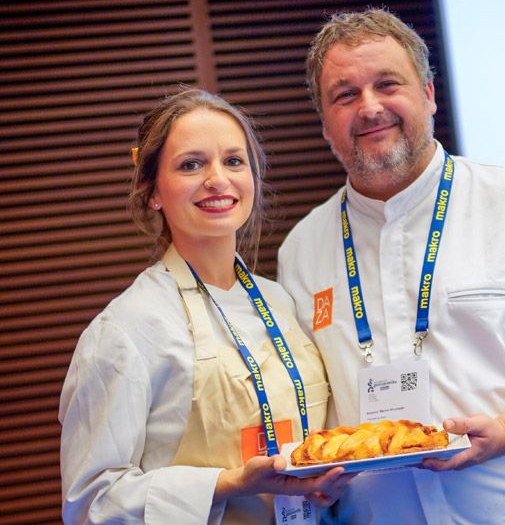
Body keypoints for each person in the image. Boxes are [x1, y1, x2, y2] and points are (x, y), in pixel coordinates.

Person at [276, 8, 505, 524]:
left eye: (388, 84)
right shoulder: (300, 249)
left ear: (429, 94)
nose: (369, 107)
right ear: (324, 121)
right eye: (345, 95)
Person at [59, 87, 352, 524]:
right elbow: (89, 504)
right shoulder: (125, 330)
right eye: (191, 164)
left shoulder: (280, 300)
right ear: (151, 190)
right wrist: (228, 484)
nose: (218, 179)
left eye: (233, 161)